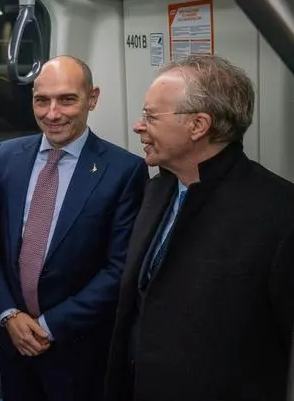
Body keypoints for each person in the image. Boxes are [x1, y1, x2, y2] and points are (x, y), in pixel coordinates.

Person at [103, 54, 294, 401]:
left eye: (150, 116)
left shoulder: (279, 213)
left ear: (198, 125)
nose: (138, 126)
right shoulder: (157, 189)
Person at [0, 56, 148, 401]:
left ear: (92, 98)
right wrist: (9, 314)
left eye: (67, 100)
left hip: (80, 349)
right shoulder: (6, 157)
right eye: (41, 100)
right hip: (13, 342)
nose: (52, 113)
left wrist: (49, 325)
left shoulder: (124, 171)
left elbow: (119, 268)